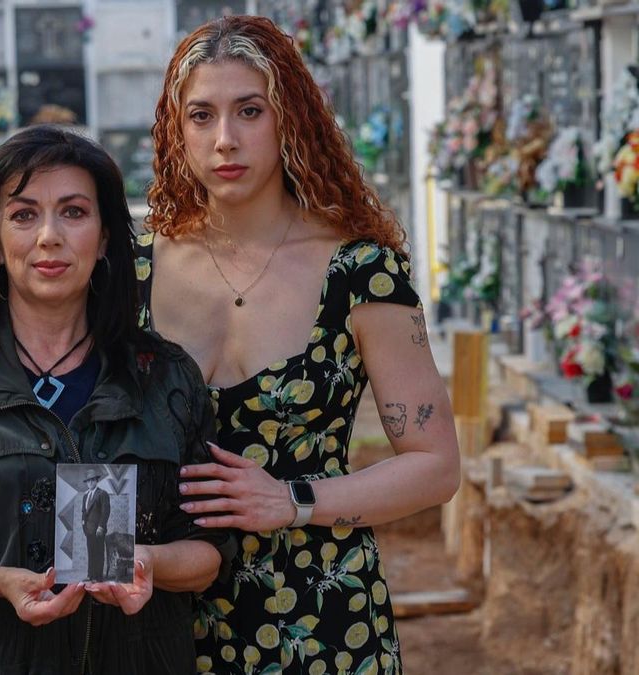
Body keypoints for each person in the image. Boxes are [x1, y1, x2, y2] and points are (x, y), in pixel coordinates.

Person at [138, 16, 461, 674]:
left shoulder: (360, 271)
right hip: (159, 613)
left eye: (249, 111)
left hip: (320, 619)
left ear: (290, 118)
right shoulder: (130, 271)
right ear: (177, 129)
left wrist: (292, 500)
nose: (224, 139)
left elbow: (436, 465)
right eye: (201, 115)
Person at [0, 125, 234, 674]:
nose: (48, 236)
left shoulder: (165, 377)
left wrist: (145, 562)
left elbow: (210, 550)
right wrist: (2, 583)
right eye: (23, 215)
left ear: (107, 236)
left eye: (73, 212)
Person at [80, 470, 111, 582]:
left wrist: (101, 527)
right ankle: (90, 575)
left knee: (98, 552)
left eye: (92, 480)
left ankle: (98, 577)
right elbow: (84, 512)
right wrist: (83, 524)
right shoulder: (85, 495)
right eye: (88, 481)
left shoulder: (102, 494)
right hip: (88, 529)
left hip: (98, 529)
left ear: (96, 481)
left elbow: (105, 512)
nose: (90, 483)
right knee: (91, 552)